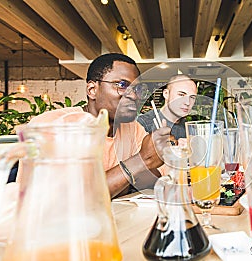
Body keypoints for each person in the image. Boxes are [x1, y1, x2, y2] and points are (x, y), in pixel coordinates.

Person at [18, 53, 171, 198]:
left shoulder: (133, 128)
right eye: (122, 85)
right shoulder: (53, 126)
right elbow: (66, 200)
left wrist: (137, 170)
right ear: (92, 90)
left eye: (138, 89)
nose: (134, 95)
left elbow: (156, 178)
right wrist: (141, 160)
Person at [137, 74, 197, 140]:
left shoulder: (189, 128)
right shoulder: (144, 123)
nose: (187, 103)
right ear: (166, 94)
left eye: (192, 97)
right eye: (181, 95)